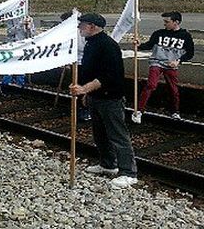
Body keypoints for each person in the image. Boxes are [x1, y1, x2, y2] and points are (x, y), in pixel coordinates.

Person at [70, 13, 138, 189]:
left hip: (111, 98)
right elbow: (92, 72)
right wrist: (88, 93)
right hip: (96, 96)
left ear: (92, 26)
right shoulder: (91, 43)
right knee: (100, 134)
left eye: (82, 25)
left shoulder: (108, 46)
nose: (79, 28)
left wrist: (85, 89)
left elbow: (109, 76)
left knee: (117, 135)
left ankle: (129, 173)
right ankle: (108, 164)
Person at [133, 11, 194, 122]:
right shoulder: (158, 33)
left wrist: (178, 61)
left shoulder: (185, 36)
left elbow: (190, 53)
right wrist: (139, 45)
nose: (164, 24)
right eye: (164, 21)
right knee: (151, 85)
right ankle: (139, 110)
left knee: (173, 89)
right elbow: (149, 45)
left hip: (171, 65)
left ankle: (175, 111)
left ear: (176, 22)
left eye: (167, 22)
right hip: (156, 62)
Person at [0, 15, 35, 90]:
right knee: (10, 66)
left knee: (21, 67)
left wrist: (29, 28)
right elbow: (9, 32)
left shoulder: (29, 19)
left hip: (23, 47)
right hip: (12, 46)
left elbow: (32, 35)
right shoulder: (11, 19)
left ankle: (20, 86)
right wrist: (20, 24)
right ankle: (5, 86)